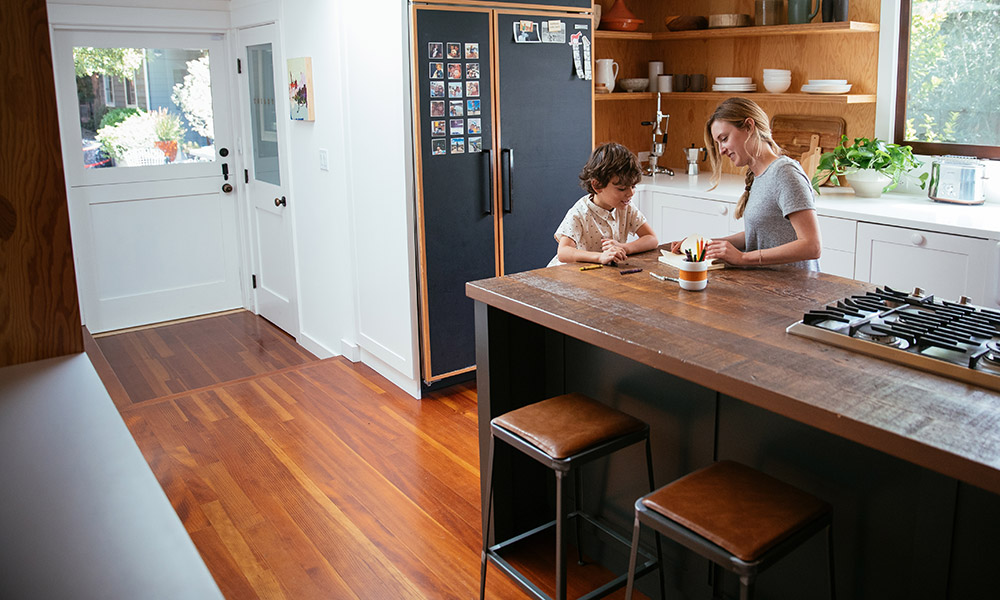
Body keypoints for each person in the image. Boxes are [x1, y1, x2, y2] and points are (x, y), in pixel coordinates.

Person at [670, 97, 821, 270]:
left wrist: (743, 258)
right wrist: (704, 245)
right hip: (768, 287)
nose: (721, 150)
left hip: (794, 292)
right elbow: (759, 234)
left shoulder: (785, 173)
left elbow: (812, 246)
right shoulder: (759, 176)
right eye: (718, 143)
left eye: (724, 138)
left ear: (749, 127)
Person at [549, 142, 658, 266]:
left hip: (599, 275)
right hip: (569, 276)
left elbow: (652, 239)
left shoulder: (627, 207)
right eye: (622, 188)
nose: (630, 193)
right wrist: (600, 257)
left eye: (633, 186)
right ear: (597, 185)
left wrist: (624, 247)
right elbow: (563, 253)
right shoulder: (580, 213)